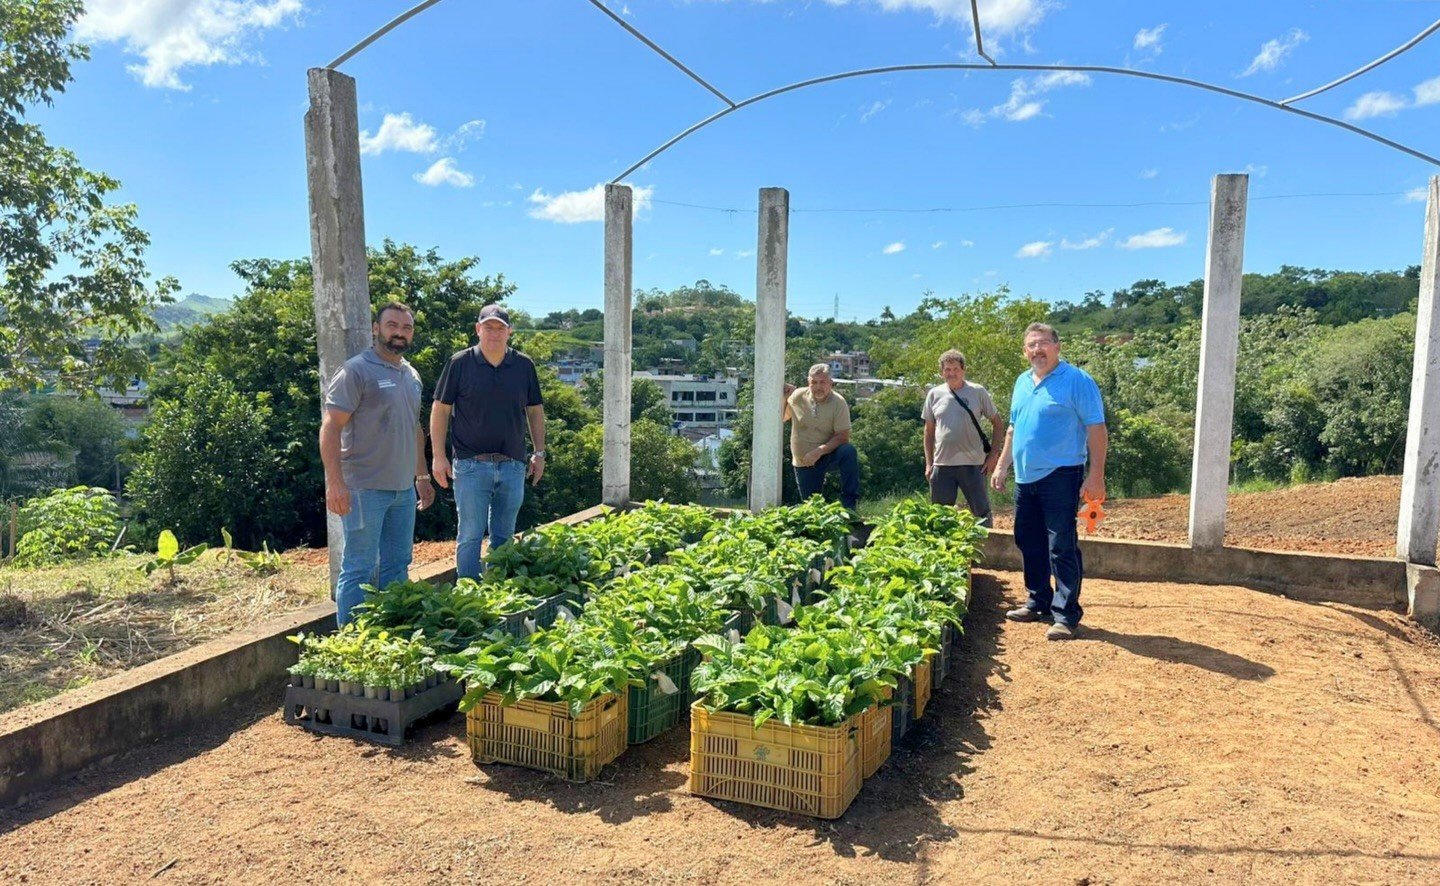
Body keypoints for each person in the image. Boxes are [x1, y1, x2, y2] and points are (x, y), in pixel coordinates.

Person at [989, 322, 1107, 641]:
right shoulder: (1022, 382)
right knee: (1028, 540)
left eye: (1043, 343)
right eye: (1031, 345)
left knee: (1061, 545)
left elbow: (1096, 428)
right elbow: (1014, 429)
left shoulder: (1077, 381)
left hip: (1062, 474)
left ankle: (1066, 614)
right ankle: (1038, 601)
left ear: (1057, 346)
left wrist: (1096, 475)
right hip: (1026, 478)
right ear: (1025, 352)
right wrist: (1002, 467)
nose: (1037, 350)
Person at [320, 302, 434, 626]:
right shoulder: (356, 371)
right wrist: (335, 482)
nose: (399, 332)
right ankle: (354, 645)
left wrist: (421, 476)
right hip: (363, 489)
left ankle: (390, 635)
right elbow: (331, 427)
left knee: (398, 565)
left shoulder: (412, 375)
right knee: (359, 566)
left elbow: (414, 429)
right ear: (376, 328)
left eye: (407, 327)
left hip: (402, 492)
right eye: (392, 325)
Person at [430, 304, 546, 580]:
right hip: (471, 464)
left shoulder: (523, 365)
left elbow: (535, 410)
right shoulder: (460, 363)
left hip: (513, 465)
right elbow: (440, 409)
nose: (495, 333)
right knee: (470, 535)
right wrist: (438, 456)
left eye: (500, 328)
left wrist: (539, 452)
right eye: (489, 327)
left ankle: (498, 594)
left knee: (504, 536)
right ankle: (469, 597)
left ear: (509, 333)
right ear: (478, 329)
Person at [923, 349, 1005, 527]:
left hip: (973, 463)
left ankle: (986, 548)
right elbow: (929, 432)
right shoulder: (934, 394)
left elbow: (998, 424)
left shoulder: (977, 392)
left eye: (955, 369)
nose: (951, 373)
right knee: (939, 515)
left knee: (981, 513)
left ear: (963, 370)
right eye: (947, 369)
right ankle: (942, 552)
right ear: (941, 371)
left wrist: (993, 456)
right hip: (942, 464)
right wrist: (929, 463)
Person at [783, 363, 859, 511]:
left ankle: (849, 506)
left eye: (822, 382)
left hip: (827, 455)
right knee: (811, 508)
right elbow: (783, 417)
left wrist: (819, 451)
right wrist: (784, 397)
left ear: (831, 382)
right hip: (804, 461)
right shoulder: (798, 396)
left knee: (848, 451)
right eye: (814, 382)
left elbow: (843, 437)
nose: (818, 387)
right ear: (808, 382)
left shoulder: (838, 402)